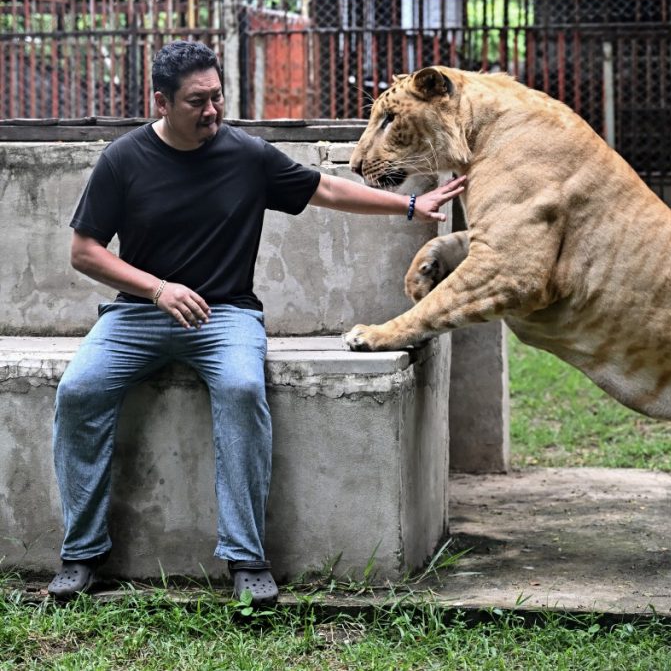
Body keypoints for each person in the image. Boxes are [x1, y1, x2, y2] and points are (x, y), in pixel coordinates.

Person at [46, 40, 466, 605]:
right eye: (198, 101)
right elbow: (84, 251)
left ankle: (246, 559)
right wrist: (158, 288)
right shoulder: (123, 159)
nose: (213, 110)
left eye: (218, 96)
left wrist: (411, 207)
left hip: (227, 317)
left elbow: (325, 189)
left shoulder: (246, 154)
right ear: (162, 103)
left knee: (243, 388)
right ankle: (81, 554)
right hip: (139, 313)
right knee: (78, 390)